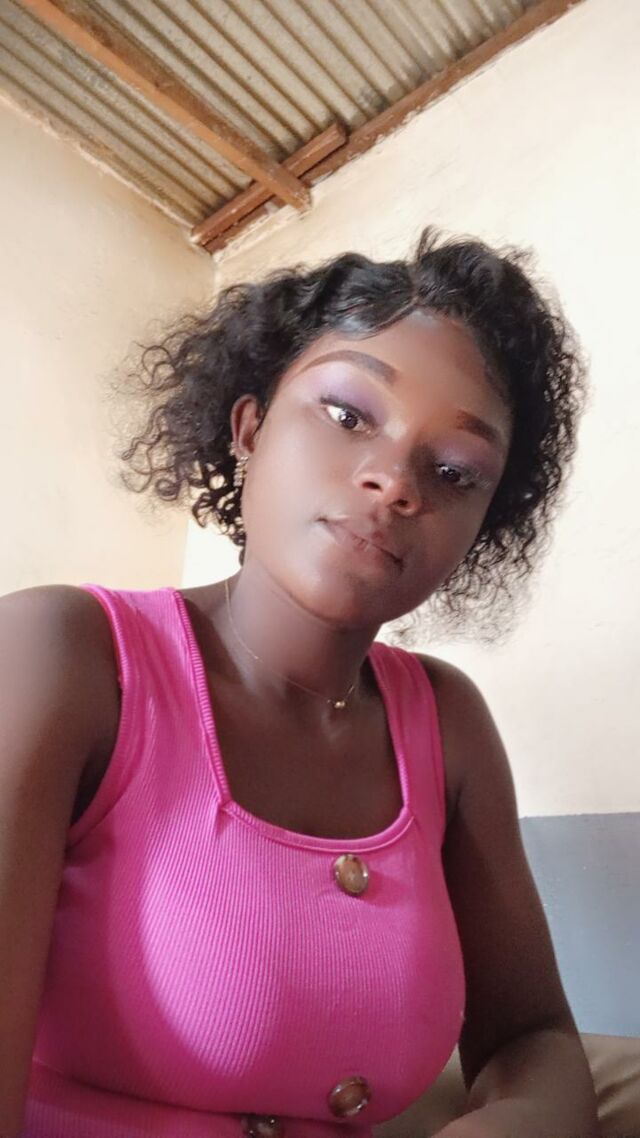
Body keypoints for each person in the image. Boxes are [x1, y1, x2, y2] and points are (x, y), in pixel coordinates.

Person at [0, 227, 599, 1138]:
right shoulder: (62, 655)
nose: (394, 483)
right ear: (250, 426)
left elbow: (533, 1035)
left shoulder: (448, 724)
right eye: (349, 415)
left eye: (454, 471)